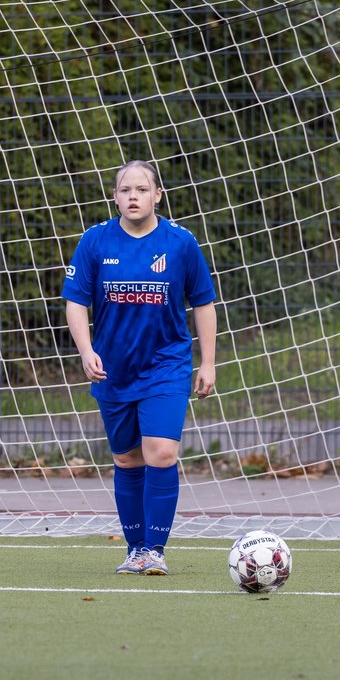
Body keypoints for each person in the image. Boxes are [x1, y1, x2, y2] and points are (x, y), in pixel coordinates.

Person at [62, 160, 218, 575]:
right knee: (128, 460)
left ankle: (156, 550)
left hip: (166, 366)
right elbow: (75, 302)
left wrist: (208, 362)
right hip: (113, 369)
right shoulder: (95, 242)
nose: (133, 196)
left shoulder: (180, 243)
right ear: (114, 196)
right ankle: (135, 549)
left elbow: (203, 302)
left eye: (142, 189)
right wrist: (85, 349)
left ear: (157, 195)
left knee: (161, 453)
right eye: (125, 189)